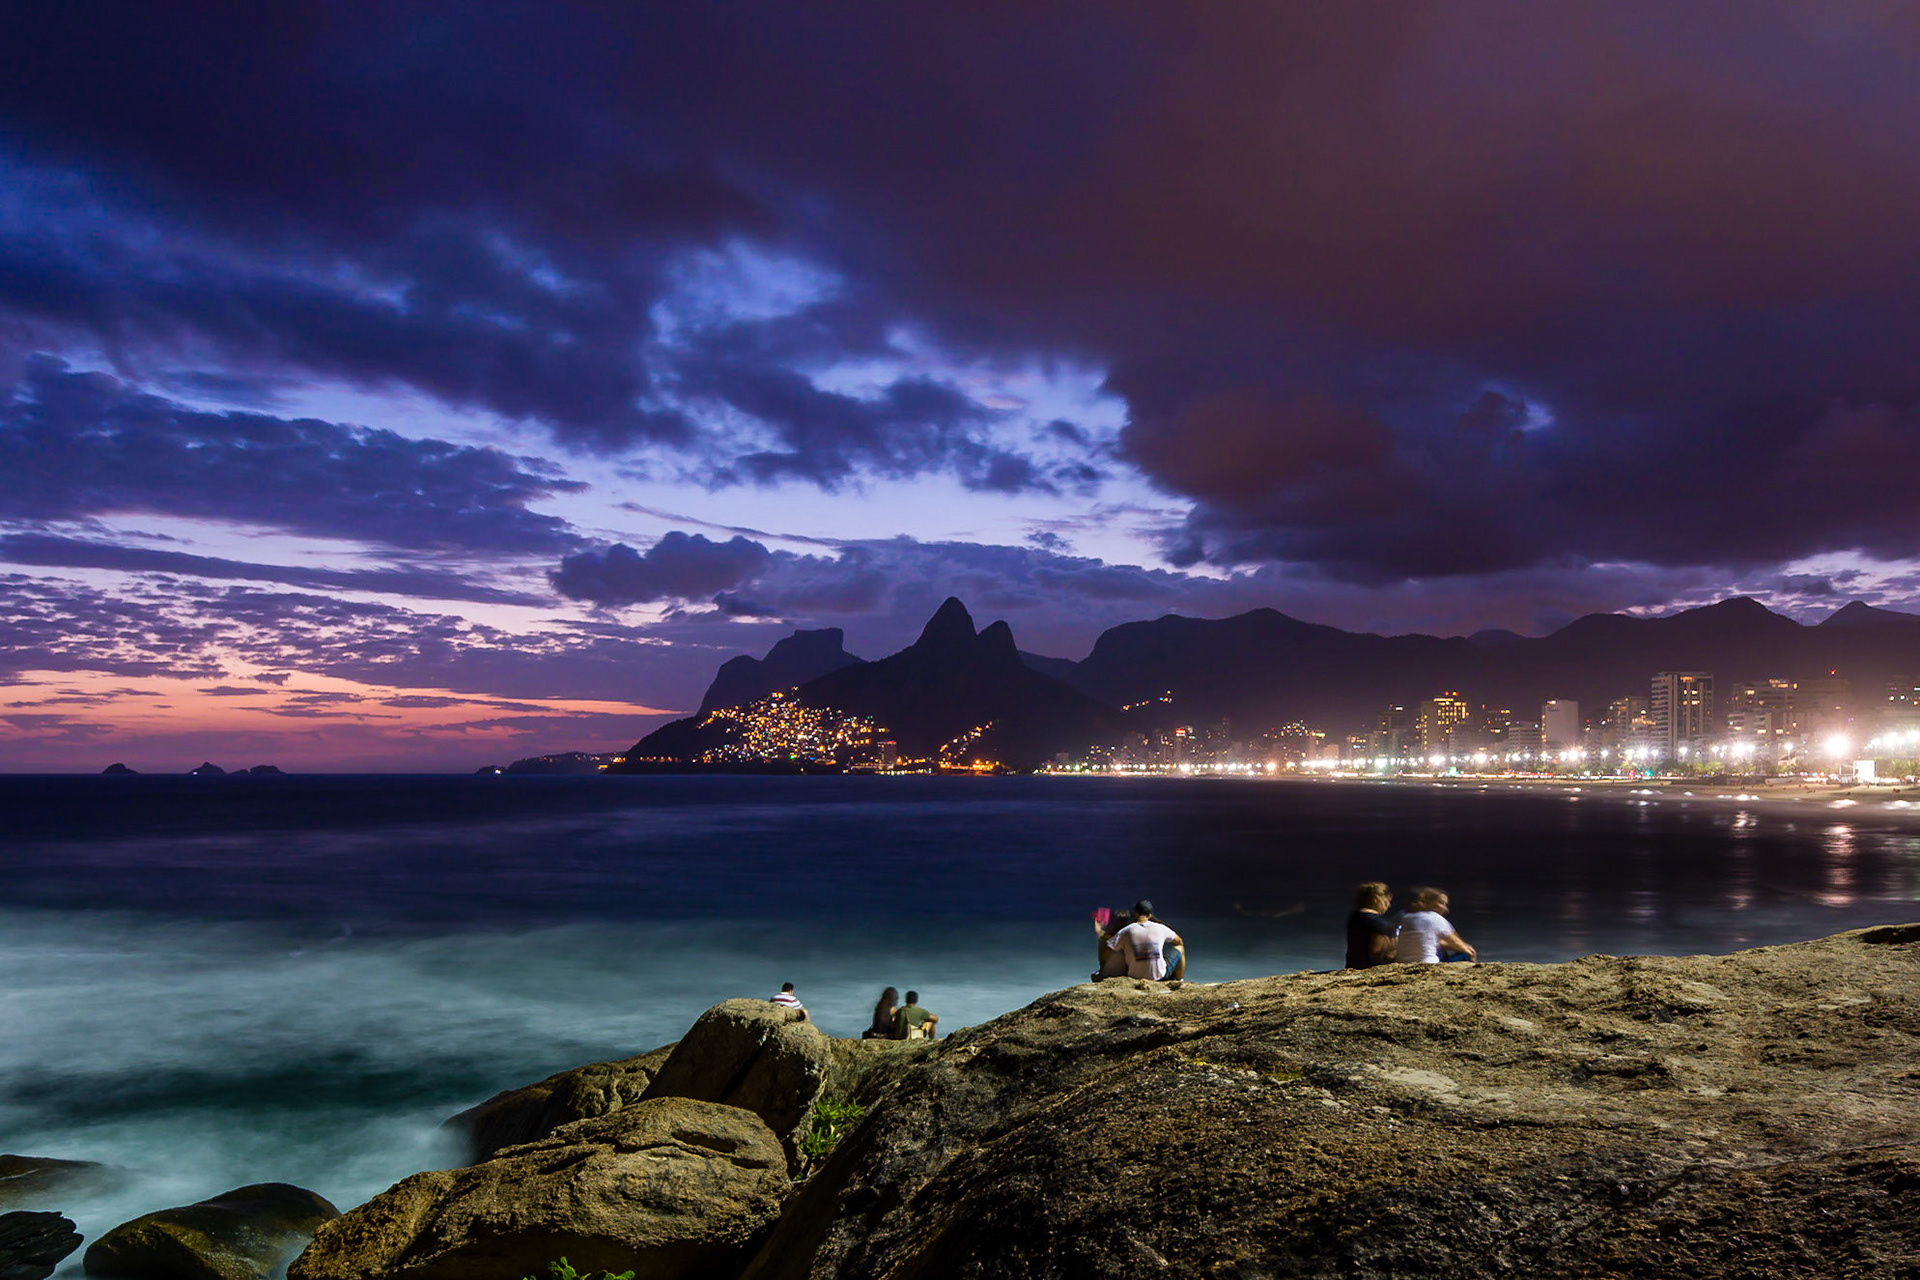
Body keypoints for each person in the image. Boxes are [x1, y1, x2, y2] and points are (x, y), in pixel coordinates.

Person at [1393, 888, 1476, 964]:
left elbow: (1425, 940)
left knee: (1442, 951)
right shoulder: (1435, 918)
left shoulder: (1405, 917)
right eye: (1441, 903)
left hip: (1401, 962)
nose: (1445, 909)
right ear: (1428, 902)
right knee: (1465, 955)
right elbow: (1457, 942)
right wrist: (1470, 953)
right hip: (1427, 963)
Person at [1108, 899, 1185, 981]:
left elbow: (1110, 949)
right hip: (1159, 977)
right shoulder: (1160, 928)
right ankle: (1180, 980)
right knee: (1180, 948)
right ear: (1150, 915)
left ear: (1135, 913)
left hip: (1134, 978)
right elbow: (1179, 941)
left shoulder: (1125, 931)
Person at [1345, 881, 1398, 969]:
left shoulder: (1354, 917)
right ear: (1376, 899)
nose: (1389, 906)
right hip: (1370, 969)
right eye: (1387, 902)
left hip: (1352, 966)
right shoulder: (1381, 925)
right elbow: (1376, 955)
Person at [1092, 907, 1130, 981]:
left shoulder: (1105, 938)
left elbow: (1098, 930)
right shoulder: (1130, 937)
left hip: (1106, 974)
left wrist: (1098, 922)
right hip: (1126, 974)